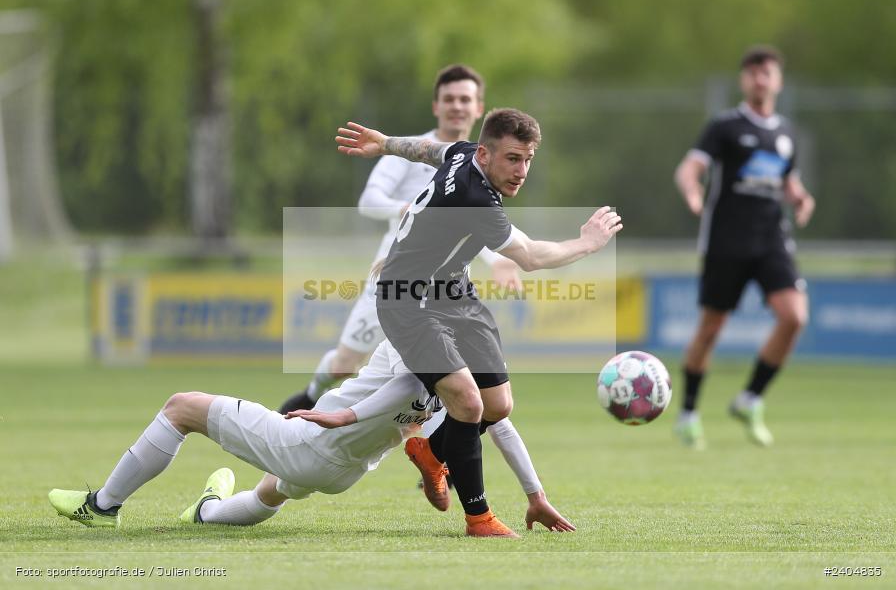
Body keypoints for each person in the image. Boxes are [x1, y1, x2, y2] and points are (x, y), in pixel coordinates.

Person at [334, 108, 622, 537]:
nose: (521, 170)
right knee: (468, 403)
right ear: (486, 155)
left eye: (528, 159)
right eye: (512, 159)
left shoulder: (465, 153)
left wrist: (387, 143)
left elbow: (432, 150)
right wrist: (587, 244)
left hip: (453, 291)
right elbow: (529, 256)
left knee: (499, 405)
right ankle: (479, 518)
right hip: (408, 300)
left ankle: (431, 451)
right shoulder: (475, 199)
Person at [48, 340, 575, 535]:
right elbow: (498, 421)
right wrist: (536, 494)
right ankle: (207, 510)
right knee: (267, 492)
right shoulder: (464, 366)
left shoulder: (415, 338)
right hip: (349, 471)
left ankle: (102, 506)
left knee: (180, 408)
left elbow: (404, 383)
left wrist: (347, 415)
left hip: (311, 443)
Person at [280, 64, 521, 415]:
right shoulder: (414, 151)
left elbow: (477, 225)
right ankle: (313, 393)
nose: (457, 106)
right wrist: (405, 208)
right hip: (393, 274)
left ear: (478, 107)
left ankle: (435, 452)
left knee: (453, 377)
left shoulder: (482, 161)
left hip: (440, 287)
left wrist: (499, 260)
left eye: (465, 99)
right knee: (346, 363)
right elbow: (369, 201)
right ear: (436, 106)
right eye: (449, 99)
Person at [672, 45, 815, 449]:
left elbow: (787, 181)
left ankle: (750, 398)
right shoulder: (725, 126)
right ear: (743, 80)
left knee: (795, 316)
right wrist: (692, 191)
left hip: (772, 239)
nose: (760, 78)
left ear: (778, 80)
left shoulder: (787, 133)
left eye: (767, 72)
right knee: (711, 329)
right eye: (753, 72)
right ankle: (688, 413)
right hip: (727, 241)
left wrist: (800, 198)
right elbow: (690, 167)